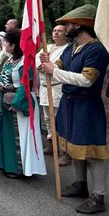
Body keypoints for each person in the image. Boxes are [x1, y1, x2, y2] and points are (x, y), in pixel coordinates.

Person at [40, 5, 109, 214]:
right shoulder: (72, 48)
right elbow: (59, 68)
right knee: (73, 147)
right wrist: (46, 65)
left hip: (86, 107)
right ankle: (81, 185)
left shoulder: (97, 49)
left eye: (67, 24)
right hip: (69, 104)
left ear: (78, 25)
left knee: (93, 152)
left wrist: (54, 71)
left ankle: (99, 197)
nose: (64, 27)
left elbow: (87, 80)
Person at [0, 28, 46, 178]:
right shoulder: (10, 59)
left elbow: (25, 85)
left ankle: (19, 168)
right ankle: (6, 163)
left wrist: (16, 103)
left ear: (14, 45)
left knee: (18, 137)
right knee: (7, 134)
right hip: (7, 100)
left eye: (7, 43)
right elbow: (3, 76)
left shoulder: (26, 61)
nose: (5, 46)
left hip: (20, 103)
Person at [36, 24, 70, 165]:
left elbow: (57, 67)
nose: (56, 33)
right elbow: (38, 61)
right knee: (47, 119)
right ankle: (51, 145)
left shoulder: (68, 49)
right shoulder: (47, 47)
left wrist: (47, 66)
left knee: (59, 120)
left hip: (57, 88)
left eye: (59, 31)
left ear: (65, 34)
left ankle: (64, 152)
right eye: (54, 30)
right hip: (44, 87)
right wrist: (43, 65)